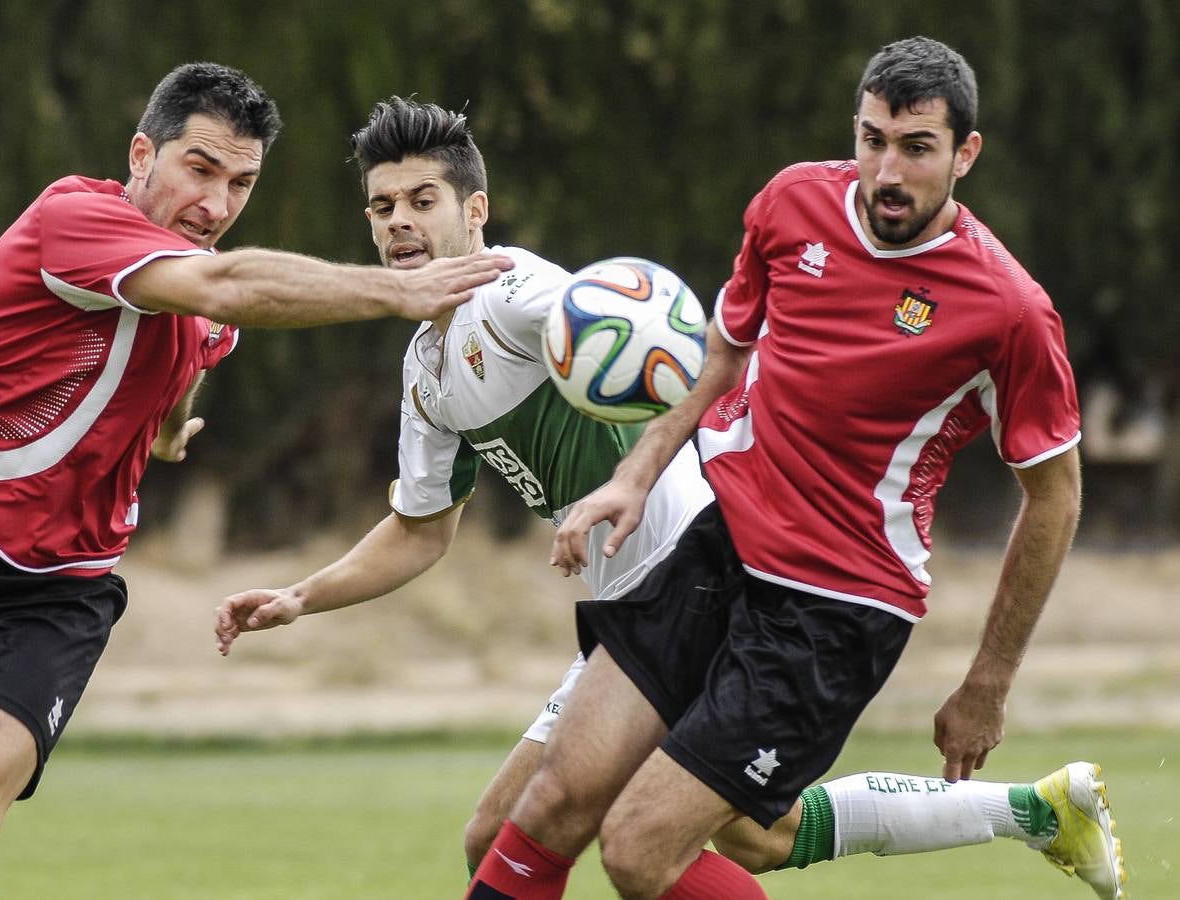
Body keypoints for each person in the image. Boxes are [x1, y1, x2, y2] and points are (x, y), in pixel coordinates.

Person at [212, 97, 1124, 899]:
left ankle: (1029, 815)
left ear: (474, 211)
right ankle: (1031, 814)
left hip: (701, 561)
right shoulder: (426, 369)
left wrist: (644, 429)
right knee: (736, 836)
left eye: (423, 201)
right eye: (382, 207)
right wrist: (303, 595)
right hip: (631, 594)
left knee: (595, 840)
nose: (400, 224)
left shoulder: (520, 292)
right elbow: (419, 531)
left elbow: (615, 314)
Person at [0, 63, 512, 900]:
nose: (216, 205)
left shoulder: (196, 294)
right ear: (143, 153)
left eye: (241, 183)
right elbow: (222, 288)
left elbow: (193, 348)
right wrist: (400, 292)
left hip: (54, 592)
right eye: (200, 170)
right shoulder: (75, 219)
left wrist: (169, 430)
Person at [465, 35, 1125, 900]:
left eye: (916, 148)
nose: (886, 172)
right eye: (871, 139)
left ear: (965, 154)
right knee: (549, 805)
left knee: (638, 851)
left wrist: (987, 681)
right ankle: (1030, 814)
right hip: (716, 552)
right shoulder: (789, 205)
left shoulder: (1009, 311)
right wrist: (632, 477)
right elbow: (721, 355)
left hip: (831, 611)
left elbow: (1054, 498)